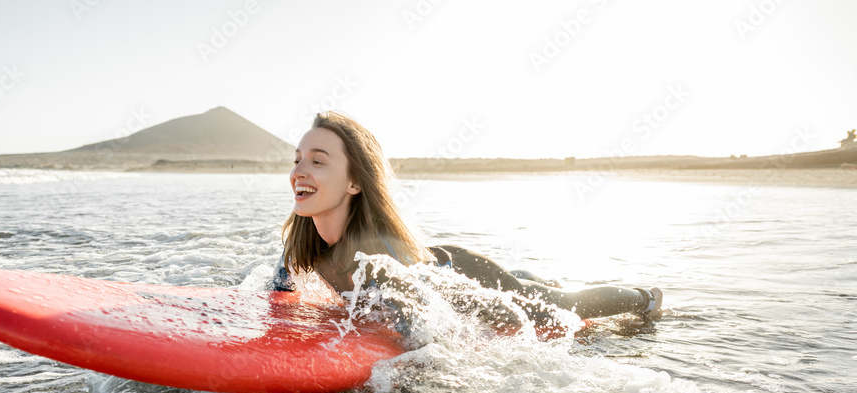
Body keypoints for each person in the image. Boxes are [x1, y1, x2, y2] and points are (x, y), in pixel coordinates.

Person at [274, 111, 662, 332]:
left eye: (318, 160)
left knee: (554, 310)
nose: (299, 172)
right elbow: (278, 306)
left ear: (356, 181)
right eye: (297, 159)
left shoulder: (380, 262)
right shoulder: (296, 252)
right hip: (441, 267)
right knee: (533, 289)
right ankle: (529, 276)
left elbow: (421, 342)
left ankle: (646, 298)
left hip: (460, 272)